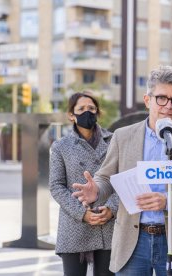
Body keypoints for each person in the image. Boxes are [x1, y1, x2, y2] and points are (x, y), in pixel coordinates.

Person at [72, 65, 172, 276]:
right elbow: (106, 177)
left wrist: (167, 201)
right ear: (148, 100)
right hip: (133, 242)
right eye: (161, 98)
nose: (168, 105)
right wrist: (97, 190)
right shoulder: (123, 136)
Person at [49, 91, 118, 276]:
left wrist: (112, 209)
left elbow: (123, 181)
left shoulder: (114, 141)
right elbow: (56, 186)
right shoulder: (60, 146)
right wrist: (82, 213)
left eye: (91, 108)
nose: (87, 112)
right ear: (71, 115)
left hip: (109, 224)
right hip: (74, 224)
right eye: (81, 109)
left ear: (98, 112)